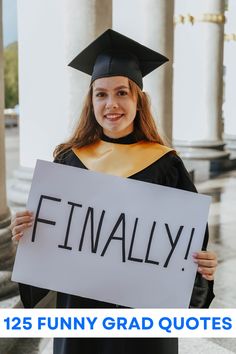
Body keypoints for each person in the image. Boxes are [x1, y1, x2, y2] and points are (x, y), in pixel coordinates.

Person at [10, 29, 217, 354]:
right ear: (90, 101)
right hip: (80, 314)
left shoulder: (166, 164)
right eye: (101, 94)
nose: (111, 104)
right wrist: (29, 237)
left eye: (122, 93)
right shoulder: (69, 161)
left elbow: (189, 250)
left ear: (138, 100)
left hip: (144, 322)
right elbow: (49, 255)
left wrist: (202, 268)